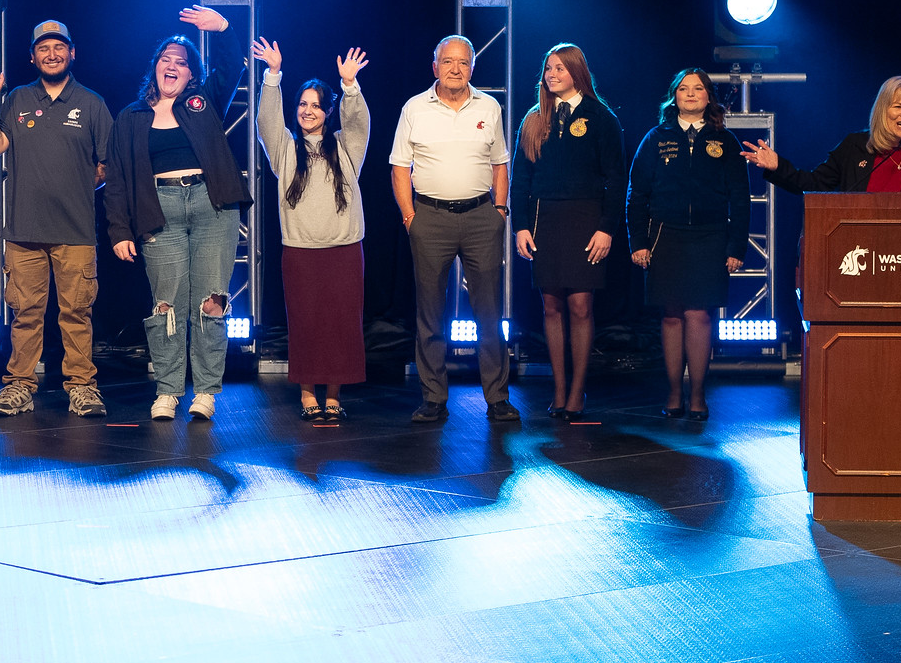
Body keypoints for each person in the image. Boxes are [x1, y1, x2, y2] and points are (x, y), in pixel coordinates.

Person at [104, 6, 252, 421]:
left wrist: (222, 27)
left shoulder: (203, 103)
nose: (172, 66)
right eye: (165, 60)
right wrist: (119, 230)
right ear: (155, 69)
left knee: (210, 303)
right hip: (160, 209)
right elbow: (115, 179)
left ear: (191, 75)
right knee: (165, 305)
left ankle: (205, 391)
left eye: (181, 63)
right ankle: (168, 389)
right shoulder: (131, 117)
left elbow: (230, 65)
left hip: (212, 205)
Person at [0, 20, 113, 418]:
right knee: (26, 314)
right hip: (24, 231)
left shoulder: (91, 103)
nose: (51, 54)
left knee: (76, 314)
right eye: (43, 48)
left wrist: (71, 187)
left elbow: (106, 164)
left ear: (72, 53)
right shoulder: (17, 98)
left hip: (76, 231)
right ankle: (19, 386)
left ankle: (82, 388)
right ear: (32, 56)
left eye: (59, 47)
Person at [389, 34, 518, 426]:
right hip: (430, 218)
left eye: (463, 62)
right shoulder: (414, 108)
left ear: (472, 68)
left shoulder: (490, 106)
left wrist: (499, 211)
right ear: (435, 67)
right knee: (430, 312)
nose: (456, 69)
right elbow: (399, 167)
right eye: (448, 62)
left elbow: (500, 164)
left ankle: (497, 398)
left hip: (482, 217)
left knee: (489, 311)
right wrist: (411, 218)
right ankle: (433, 397)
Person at [252, 38, 370, 420]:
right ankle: (307, 394)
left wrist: (350, 86)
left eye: (316, 106)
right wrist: (272, 76)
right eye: (302, 104)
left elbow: (359, 123)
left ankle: (333, 394)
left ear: (327, 111)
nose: (307, 111)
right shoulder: (286, 149)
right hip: (300, 252)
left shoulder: (345, 146)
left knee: (339, 323)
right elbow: (267, 123)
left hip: (344, 250)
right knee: (305, 323)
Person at [625, 69, 750, 422]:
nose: (691, 94)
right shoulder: (655, 138)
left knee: (699, 314)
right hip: (666, 236)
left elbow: (740, 199)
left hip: (711, 237)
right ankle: (674, 392)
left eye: (698, 89)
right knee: (671, 315)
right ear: (673, 96)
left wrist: (736, 247)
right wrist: (639, 242)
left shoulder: (724, 142)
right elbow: (636, 196)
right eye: (684, 89)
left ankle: (697, 394)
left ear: (709, 97)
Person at [511, 43, 625, 422]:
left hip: (585, 220)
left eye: (560, 68)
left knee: (580, 305)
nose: (552, 74)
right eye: (548, 68)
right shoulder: (534, 118)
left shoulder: (600, 117)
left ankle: (578, 391)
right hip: (545, 220)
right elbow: (521, 178)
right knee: (551, 304)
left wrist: (606, 229)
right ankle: (559, 390)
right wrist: (522, 225)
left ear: (577, 71)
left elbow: (616, 179)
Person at [741, 76, 901, 193]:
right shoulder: (855, 146)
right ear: (883, 110)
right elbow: (815, 184)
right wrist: (779, 166)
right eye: (898, 106)